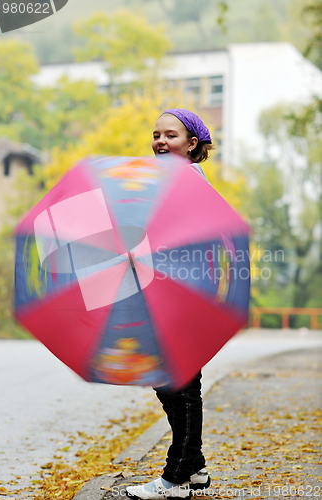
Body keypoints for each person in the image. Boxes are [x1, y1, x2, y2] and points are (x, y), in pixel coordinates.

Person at [126, 109, 213, 500]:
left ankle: (174, 480)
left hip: (182, 294)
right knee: (171, 382)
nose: (160, 141)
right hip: (169, 290)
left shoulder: (185, 179)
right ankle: (195, 470)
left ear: (191, 144)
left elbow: (187, 237)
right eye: (156, 134)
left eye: (171, 135)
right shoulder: (168, 181)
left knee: (178, 385)